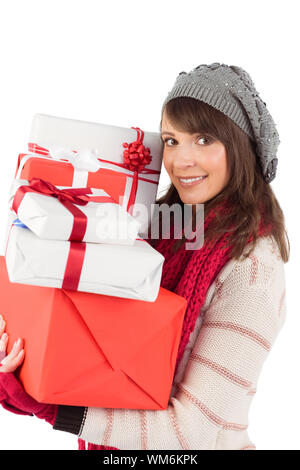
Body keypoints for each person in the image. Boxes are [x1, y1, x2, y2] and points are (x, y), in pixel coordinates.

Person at [0, 62, 290, 450]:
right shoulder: (159, 227)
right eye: (171, 140)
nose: (180, 160)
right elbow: (88, 340)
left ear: (242, 146)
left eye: (203, 139)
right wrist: (28, 364)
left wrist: (53, 409)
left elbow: (192, 434)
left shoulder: (253, 269)